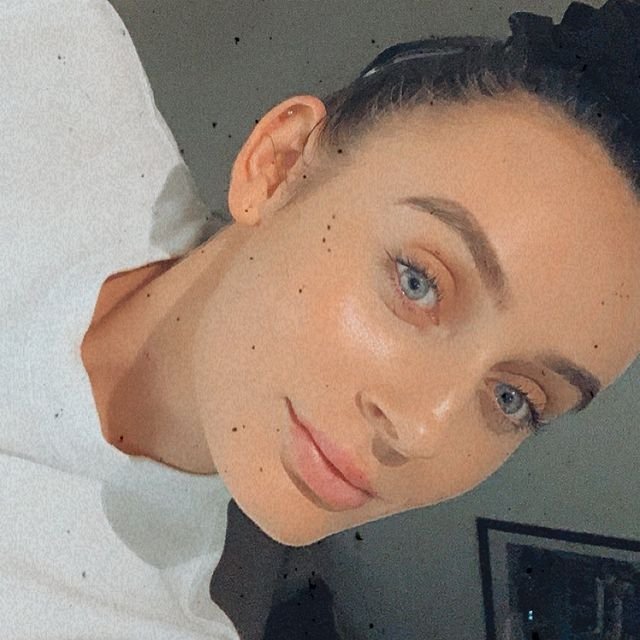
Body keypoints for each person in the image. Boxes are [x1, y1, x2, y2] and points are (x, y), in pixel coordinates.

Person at [2, 0, 640, 637]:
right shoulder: (39, 44)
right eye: (418, 283)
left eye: (513, 399)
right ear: (277, 165)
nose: (421, 432)